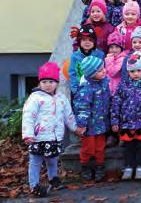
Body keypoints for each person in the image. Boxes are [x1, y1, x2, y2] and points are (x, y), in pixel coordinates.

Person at [22, 62, 83, 197]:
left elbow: (68, 115)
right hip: (38, 137)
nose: (48, 84)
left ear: (57, 82)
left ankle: (53, 178)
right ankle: (34, 185)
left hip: (54, 137)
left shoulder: (61, 98)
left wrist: (75, 128)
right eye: (44, 82)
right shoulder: (35, 98)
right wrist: (27, 134)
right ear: (39, 83)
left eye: (51, 81)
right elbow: (28, 116)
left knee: (53, 160)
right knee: (35, 162)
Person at [111, 52, 141, 180]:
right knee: (129, 146)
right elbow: (116, 104)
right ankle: (128, 167)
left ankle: (140, 167)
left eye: (139, 70)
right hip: (127, 123)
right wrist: (115, 121)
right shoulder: (123, 86)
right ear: (128, 72)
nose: (136, 73)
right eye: (132, 71)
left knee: (140, 146)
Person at [74, 56, 110, 182]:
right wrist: (82, 124)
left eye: (103, 68)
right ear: (92, 73)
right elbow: (82, 107)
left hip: (101, 123)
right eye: (100, 70)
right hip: (89, 126)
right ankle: (86, 166)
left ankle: (100, 166)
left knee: (100, 147)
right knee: (88, 147)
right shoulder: (86, 88)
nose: (104, 71)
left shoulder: (104, 82)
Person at [68, 24, 105, 98]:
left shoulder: (100, 55)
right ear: (79, 42)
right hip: (80, 90)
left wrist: (101, 88)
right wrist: (75, 90)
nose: (87, 42)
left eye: (90, 40)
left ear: (94, 42)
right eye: (84, 39)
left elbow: (103, 72)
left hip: (96, 90)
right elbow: (72, 73)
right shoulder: (75, 56)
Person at [105, 31, 127, 96]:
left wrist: (109, 59)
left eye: (117, 47)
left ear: (121, 48)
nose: (114, 50)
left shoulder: (122, 59)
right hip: (108, 89)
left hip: (117, 90)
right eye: (111, 47)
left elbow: (112, 72)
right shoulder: (109, 58)